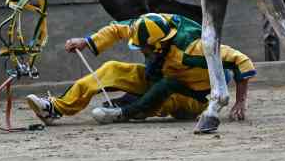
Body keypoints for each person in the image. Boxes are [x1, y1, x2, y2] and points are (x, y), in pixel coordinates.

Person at [25, 13, 255, 125]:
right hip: (164, 76)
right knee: (112, 68)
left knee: (164, 91)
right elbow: (118, 29)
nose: (141, 52)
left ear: (160, 45)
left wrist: (240, 102)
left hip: (191, 98)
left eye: (144, 50)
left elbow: (241, 60)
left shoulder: (192, 50)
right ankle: (55, 108)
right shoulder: (149, 25)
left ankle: (124, 112)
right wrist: (86, 41)